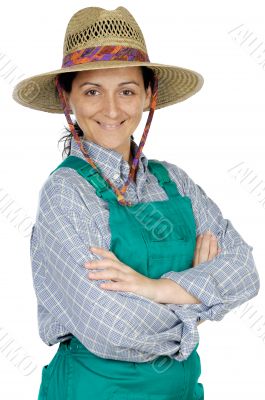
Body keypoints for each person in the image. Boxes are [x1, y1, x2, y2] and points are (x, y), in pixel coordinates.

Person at [12, 6, 260, 400]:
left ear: (148, 95)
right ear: (67, 97)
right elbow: (113, 328)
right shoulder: (66, 194)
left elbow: (245, 273)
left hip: (183, 391)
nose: (112, 110)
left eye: (127, 91)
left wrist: (156, 289)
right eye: (92, 91)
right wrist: (200, 295)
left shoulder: (174, 180)